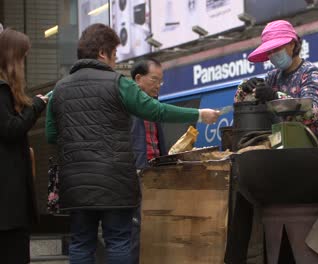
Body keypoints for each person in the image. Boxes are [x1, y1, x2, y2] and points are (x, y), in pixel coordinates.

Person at [45, 23, 219, 263]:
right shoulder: (119, 83)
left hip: (76, 181)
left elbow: (51, 135)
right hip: (115, 178)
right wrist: (198, 115)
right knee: (118, 241)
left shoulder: (59, 90)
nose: (115, 61)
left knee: (81, 243)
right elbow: (155, 110)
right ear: (103, 53)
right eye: (115, 54)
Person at [234, 19, 318, 148]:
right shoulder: (272, 77)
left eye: (277, 49)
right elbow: (244, 107)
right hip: (287, 145)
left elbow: (311, 113)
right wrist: (246, 88)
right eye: (269, 52)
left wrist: (276, 97)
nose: (272, 55)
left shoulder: (310, 73)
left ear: (292, 45)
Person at [0, 28, 48, 264]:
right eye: (23, 56)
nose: (24, 63)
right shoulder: (1, 89)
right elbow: (10, 130)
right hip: (7, 206)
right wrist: (36, 106)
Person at [128, 58, 167, 264]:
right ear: (138, 79)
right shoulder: (128, 106)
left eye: (161, 80)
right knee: (137, 228)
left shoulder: (154, 106)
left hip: (155, 174)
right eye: (154, 79)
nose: (158, 85)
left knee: (153, 229)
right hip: (137, 175)